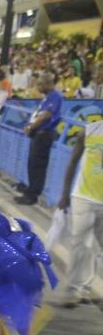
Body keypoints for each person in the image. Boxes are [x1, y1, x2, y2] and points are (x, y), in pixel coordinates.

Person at [56, 104, 103, 307]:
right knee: (80, 244)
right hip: (83, 197)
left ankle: (87, 288)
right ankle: (73, 289)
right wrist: (65, 194)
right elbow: (72, 162)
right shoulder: (89, 131)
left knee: (97, 248)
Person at [20, 72, 63, 206]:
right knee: (32, 164)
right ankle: (29, 190)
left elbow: (46, 115)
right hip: (38, 134)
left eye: (40, 84)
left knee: (38, 165)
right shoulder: (47, 97)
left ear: (48, 84)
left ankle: (32, 195)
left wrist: (31, 126)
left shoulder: (55, 96)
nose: (38, 87)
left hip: (44, 134)